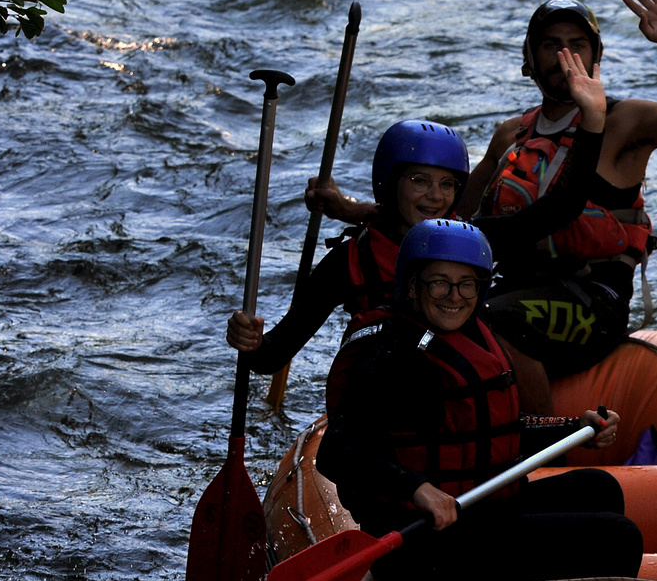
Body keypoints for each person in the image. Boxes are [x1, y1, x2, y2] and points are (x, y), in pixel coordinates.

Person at [225, 48, 609, 392]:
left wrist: (592, 119)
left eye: (447, 184)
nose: (435, 196)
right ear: (389, 184)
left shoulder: (475, 240)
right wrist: (252, 342)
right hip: (389, 411)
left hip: (459, 402)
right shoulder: (349, 262)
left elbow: (563, 207)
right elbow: (273, 356)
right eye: (419, 181)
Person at [316, 219, 643, 581]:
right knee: (618, 536)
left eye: (466, 283)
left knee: (599, 489)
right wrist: (416, 489)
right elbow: (335, 452)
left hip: (475, 512)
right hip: (425, 540)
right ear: (411, 284)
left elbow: (486, 436)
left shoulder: (473, 335)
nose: (454, 296)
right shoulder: (389, 354)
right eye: (439, 281)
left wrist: (573, 429)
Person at [458, 0, 657, 376]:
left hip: (592, 302)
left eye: (577, 44)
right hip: (514, 287)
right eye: (550, 45)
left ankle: (538, 430)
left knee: (490, 318)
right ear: (529, 60)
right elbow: (454, 218)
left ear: (596, 57)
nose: (563, 56)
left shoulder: (625, 123)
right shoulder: (510, 136)